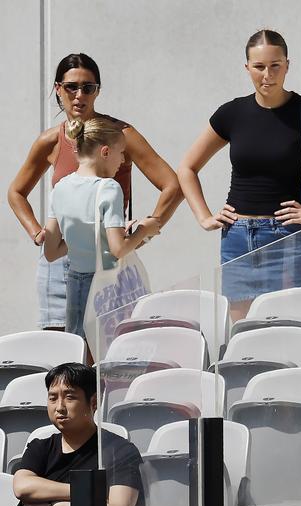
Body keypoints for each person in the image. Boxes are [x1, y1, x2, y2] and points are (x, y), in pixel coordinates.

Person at [178, 29, 301, 320]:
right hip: (239, 238)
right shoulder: (232, 113)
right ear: (247, 68)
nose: (267, 74)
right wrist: (204, 217)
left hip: (290, 237)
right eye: (258, 67)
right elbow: (187, 168)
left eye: (275, 66)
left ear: (287, 65)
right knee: (245, 334)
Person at [8, 52, 180, 331]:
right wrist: (36, 232)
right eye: (71, 87)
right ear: (58, 89)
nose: (79, 95)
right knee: (64, 353)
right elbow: (16, 192)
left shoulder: (119, 135)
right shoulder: (50, 140)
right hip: (60, 260)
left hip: (106, 260)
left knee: (104, 352)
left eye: (88, 87)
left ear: (97, 91)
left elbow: (172, 185)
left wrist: (146, 231)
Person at [11, 362, 143, 506]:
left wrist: (53, 504)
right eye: (52, 398)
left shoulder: (120, 451)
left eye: (70, 397)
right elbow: (22, 487)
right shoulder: (40, 446)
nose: (59, 407)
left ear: (93, 402)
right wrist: (88, 494)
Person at [41, 119, 148, 340]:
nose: (123, 160)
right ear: (106, 151)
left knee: (79, 350)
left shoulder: (60, 188)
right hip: (106, 284)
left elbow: (51, 252)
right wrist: (144, 231)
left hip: (75, 282)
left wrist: (88, 236)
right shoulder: (109, 188)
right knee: (108, 352)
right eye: (121, 153)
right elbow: (118, 249)